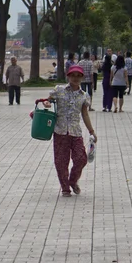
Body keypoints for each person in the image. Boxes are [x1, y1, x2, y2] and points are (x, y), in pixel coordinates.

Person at [43, 65, 97, 198]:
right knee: (61, 161)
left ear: (82, 78)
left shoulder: (84, 96)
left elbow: (84, 114)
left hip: (75, 131)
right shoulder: (59, 90)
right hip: (60, 131)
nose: (76, 78)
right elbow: (47, 100)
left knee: (81, 159)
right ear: (68, 76)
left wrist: (91, 131)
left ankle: (72, 181)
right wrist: (47, 103)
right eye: (73, 75)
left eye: (79, 76)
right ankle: (65, 187)